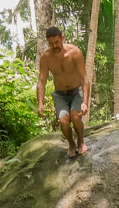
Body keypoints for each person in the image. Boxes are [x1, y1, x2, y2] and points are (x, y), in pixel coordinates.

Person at [37, 26, 89, 158]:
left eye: (56, 42)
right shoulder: (46, 57)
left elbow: (84, 78)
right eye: (51, 43)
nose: (54, 46)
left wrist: (85, 102)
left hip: (76, 91)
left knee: (76, 117)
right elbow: (42, 81)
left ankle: (81, 141)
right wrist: (40, 103)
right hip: (60, 94)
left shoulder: (74, 52)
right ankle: (71, 143)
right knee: (64, 121)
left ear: (62, 38)